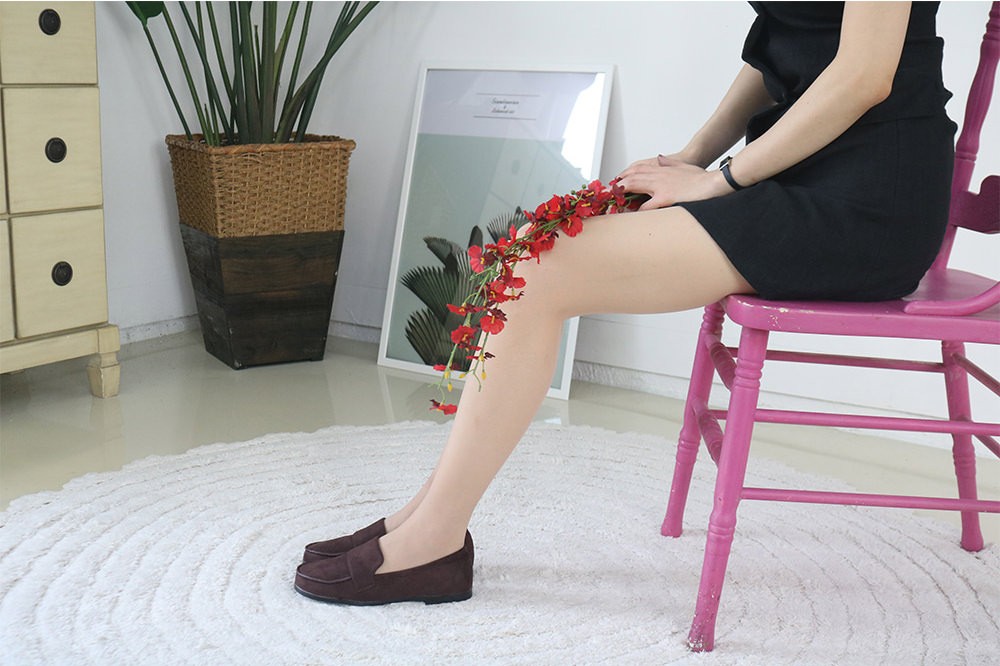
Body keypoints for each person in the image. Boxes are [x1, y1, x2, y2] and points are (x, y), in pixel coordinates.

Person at [293, 1, 955, 605]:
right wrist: (691, 158)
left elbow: (864, 75)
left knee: (538, 270)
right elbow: (785, 41)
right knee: (531, 253)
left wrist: (721, 180)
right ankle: (425, 517)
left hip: (868, 203)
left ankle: (435, 537)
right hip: (790, 168)